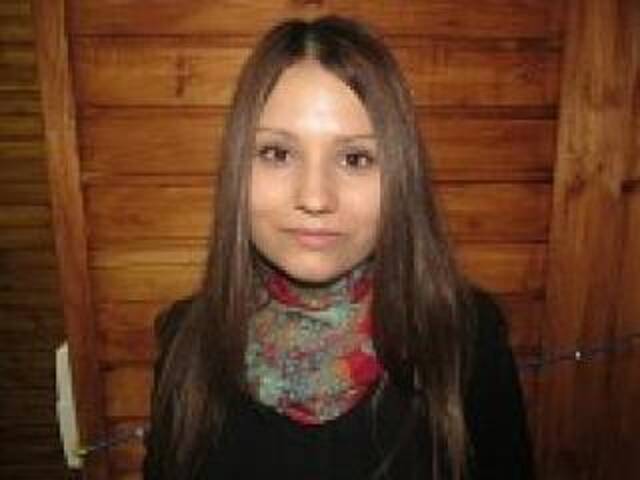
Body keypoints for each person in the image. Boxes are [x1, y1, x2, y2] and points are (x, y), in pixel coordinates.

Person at [143, 16, 534, 480]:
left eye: (355, 158)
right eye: (277, 153)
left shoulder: (466, 339)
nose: (315, 198)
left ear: (399, 178)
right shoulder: (186, 342)